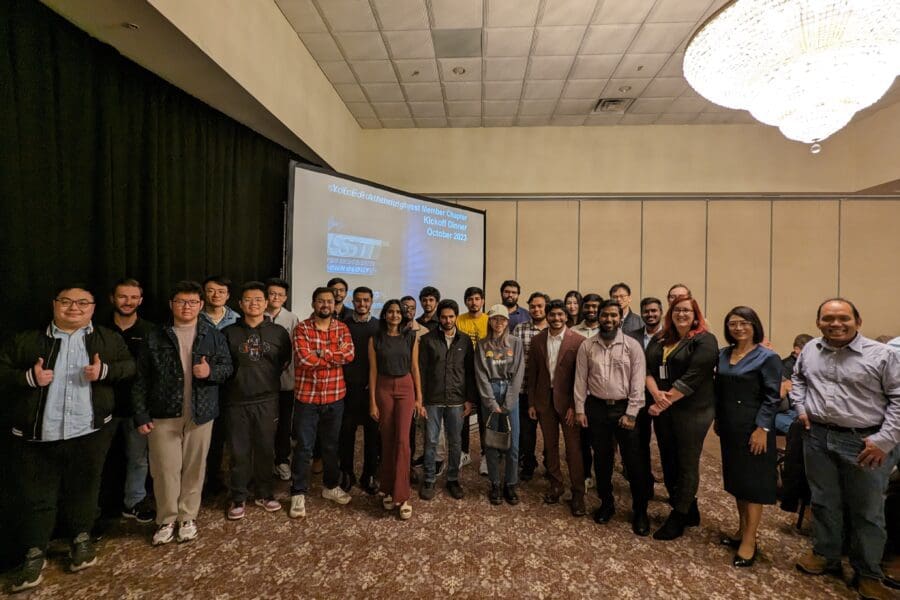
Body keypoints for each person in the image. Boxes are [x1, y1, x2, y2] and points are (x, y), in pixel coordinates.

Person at [2, 285, 134, 592]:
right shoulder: (27, 340)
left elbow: (130, 367)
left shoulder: (107, 339)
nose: (74, 307)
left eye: (82, 302)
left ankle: (81, 539)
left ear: (93, 307)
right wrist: (27, 378)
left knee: (85, 489)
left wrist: (105, 371)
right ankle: (35, 552)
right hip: (37, 436)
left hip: (89, 431)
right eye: (67, 301)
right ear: (54, 305)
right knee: (37, 497)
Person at [792, 298, 900, 600]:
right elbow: (798, 378)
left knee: (867, 510)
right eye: (828, 318)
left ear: (858, 321)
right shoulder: (812, 349)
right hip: (818, 436)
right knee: (824, 500)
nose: (835, 324)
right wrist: (800, 406)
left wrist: (885, 440)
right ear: (818, 322)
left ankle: (867, 572)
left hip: (864, 442)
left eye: (843, 318)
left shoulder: (882, 355)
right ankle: (826, 553)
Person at [132, 281, 233, 546]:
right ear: (171, 305)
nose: (186, 307)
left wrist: (210, 372)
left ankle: (188, 516)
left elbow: (227, 368)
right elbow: (140, 379)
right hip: (164, 414)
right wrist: (141, 415)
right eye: (181, 302)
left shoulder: (213, 335)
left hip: (201, 413)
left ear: (201, 306)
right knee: (165, 469)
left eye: (192, 302)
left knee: (194, 468)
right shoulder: (155, 336)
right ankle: (166, 518)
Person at [645, 293, 718, 540]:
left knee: (686, 462)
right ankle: (690, 508)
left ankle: (678, 515)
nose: (681, 314)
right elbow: (647, 369)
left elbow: (694, 376)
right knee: (668, 460)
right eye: (677, 310)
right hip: (664, 407)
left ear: (695, 314)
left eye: (687, 310)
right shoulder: (660, 338)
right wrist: (656, 395)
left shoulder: (705, 341)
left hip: (693, 410)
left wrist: (663, 402)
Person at [575, 300, 650, 535]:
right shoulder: (587, 346)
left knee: (634, 462)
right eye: (604, 315)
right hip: (596, 409)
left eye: (613, 316)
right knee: (602, 460)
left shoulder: (632, 346)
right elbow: (580, 380)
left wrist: (632, 413)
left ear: (620, 319)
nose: (608, 320)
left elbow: (638, 383)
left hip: (624, 410)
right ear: (598, 317)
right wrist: (579, 409)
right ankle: (606, 503)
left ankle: (640, 511)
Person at [715, 306, 782, 567]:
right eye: (733, 324)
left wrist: (762, 429)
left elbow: (772, 396)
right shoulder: (724, 354)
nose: (738, 328)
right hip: (730, 427)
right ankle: (741, 529)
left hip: (755, 429)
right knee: (738, 482)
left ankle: (750, 540)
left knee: (753, 485)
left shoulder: (767, 357)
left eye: (744, 323)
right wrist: (719, 419)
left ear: (754, 325)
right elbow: (719, 390)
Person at [222, 282, 292, 520]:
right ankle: (238, 496)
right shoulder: (229, 333)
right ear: (240, 304)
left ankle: (265, 493)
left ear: (266, 303)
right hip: (236, 400)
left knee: (265, 449)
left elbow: (284, 361)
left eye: (258, 300)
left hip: (268, 399)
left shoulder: (279, 332)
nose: (254, 304)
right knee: (239, 452)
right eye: (248, 300)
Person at [289, 286, 355, 518]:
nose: (325, 305)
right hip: (307, 398)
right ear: (313, 304)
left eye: (329, 301)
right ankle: (298, 491)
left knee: (330, 446)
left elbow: (349, 355)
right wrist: (332, 354)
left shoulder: (343, 328)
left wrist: (321, 354)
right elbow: (304, 358)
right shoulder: (302, 328)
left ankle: (330, 486)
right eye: (321, 301)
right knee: (304, 447)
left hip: (335, 397)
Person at [526, 299, 587, 515]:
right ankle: (556, 485)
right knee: (549, 447)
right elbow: (532, 374)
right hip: (544, 402)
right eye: (552, 315)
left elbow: (581, 378)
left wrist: (575, 405)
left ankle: (578, 493)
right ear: (547, 316)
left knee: (573, 450)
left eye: (560, 315)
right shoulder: (537, 340)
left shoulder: (578, 341)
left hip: (568, 404)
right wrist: (531, 403)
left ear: (566, 317)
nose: (556, 318)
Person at [105, 278, 157, 523]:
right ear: (112, 299)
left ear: (141, 300)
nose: (128, 302)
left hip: (138, 409)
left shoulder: (150, 332)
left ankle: (133, 502)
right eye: (123, 296)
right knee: (101, 461)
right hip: (101, 407)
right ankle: (99, 510)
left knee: (138, 459)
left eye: (133, 297)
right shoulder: (98, 330)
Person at [368, 299, 424, 519]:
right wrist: (372, 400)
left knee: (402, 440)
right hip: (383, 387)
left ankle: (403, 495)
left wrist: (419, 397)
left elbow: (415, 368)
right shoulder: (375, 339)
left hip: (405, 387)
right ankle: (389, 489)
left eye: (398, 312)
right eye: (390, 312)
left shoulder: (411, 337)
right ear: (384, 315)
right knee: (387, 440)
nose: (394, 315)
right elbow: (372, 372)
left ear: (403, 315)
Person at [418, 299, 475, 500]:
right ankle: (429, 479)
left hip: (457, 400)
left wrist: (469, 399)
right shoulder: (427, 340)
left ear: (456, 317)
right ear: (438, 318)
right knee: (431, 441)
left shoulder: (465, 341)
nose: (447, 320)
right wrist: (420, 400)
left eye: (451, 316)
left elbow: (469, 372)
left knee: (456, 441)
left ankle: (453, 479)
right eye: (443, 316)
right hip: (432, 400)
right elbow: (421, 371)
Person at [475, 304, 525, 505]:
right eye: (495, 319)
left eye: (503, 320)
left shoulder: (516, 343)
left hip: (510, 392)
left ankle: (510, 483)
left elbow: (519, 372)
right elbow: (481, 374)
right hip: (490, 393)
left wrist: (509, 401)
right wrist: (491, 402)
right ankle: (495, 483)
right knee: (491, 442)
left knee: (513, 443)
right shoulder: (482, 344)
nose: (499, 323)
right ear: (490, 321)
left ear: (507, 322)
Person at [339, 286, 380, 494]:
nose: (362, 304)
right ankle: (346, 472)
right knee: (346, 434)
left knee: (373, 436)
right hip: (347, 390)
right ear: (352, 302)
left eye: (366, 300)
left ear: (372, 301)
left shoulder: (379, 326)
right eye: (358, 300)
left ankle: (369, 474)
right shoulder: (343, 325)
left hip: (372, 391)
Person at [200, 275, 239, 494]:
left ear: (228, 295)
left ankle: (228, 480)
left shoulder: (237, 319)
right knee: (207, 437)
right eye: (211, 290)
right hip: (202, 385)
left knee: (228, 434)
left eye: (221, 291)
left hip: (230, 386)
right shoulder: (194, 316)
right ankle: (206, 479)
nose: (216, 295)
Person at [627, 297, 665, 497]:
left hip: (664, 398)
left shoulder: (671, 336)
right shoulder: (631, 335)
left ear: (661, 312)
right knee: (639, 444)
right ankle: (644, 486)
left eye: (654, 311)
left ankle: (676, 492)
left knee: (667, 445)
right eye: (646, 311)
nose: (650, 314)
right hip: (637, 397)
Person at [264, 277, 300, 481]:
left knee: (285, 423)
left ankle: (282, 460)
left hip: (286, 381)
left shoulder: (292, 319)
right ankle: (263, 461)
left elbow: (296, 350)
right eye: (272, 294)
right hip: (261, 382)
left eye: (279, 295)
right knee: (264, 424)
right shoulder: (257, 315)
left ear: (285, 298)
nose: (275, 297)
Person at [511, 292, 550, 481]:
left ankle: (550, 464)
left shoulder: (553, 329)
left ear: (546, 307)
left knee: (549, 431)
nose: (536, 309)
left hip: (548, 391)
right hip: (524, 389)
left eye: (540, 306)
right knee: (526, 432)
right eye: (533, 306)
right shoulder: (519, 329)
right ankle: (528, 462)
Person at [457, 286, 489, 473]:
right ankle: (463, 452)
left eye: (477, 298)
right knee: (464, 414)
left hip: (484, 375)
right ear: (465, 301)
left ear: (482, 301)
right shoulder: (459, 320)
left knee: (485, 417)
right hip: (463, 375)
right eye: (470, 299)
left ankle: (486, 455)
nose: (474, 302)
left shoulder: (489, 320)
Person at [774, 333, 814, 435]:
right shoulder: (785, 367)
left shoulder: (809, 365)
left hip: (794, 408)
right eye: (809, 351)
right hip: (783, 410)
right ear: (797, 349)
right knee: (803, 430)